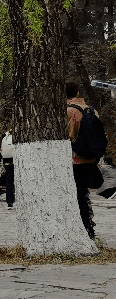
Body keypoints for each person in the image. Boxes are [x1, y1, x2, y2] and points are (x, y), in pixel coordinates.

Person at [66, 83, 104, 241]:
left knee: (78, 196)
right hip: (91, 159)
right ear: (78, 92)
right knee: (83, 195)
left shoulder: (69, 111)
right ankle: (88, 225)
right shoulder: (92, 110)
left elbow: (69, 135)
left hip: (75, 159)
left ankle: (84, 228)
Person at [0, 127, 15, 208]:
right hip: (15, 161)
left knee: (9, 182)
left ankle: (9, 201)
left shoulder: (4, 137)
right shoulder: (17, 136)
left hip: (7, 162)